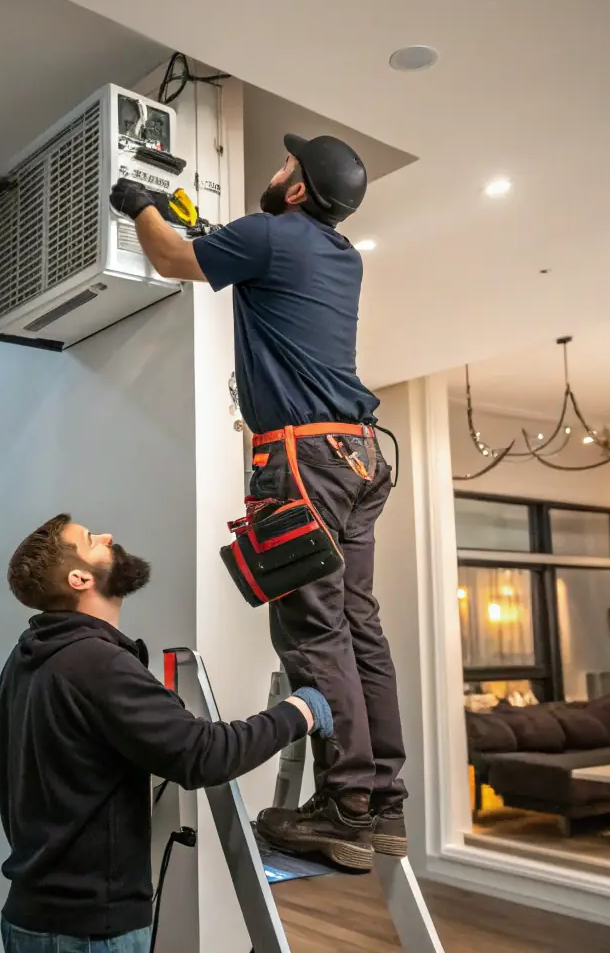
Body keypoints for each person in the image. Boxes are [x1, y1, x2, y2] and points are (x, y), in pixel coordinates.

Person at [107, 134, 406, 869]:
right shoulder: (338, 255)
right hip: (362, 455)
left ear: (299, 190)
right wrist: (216, 235)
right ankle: (381, 803)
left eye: (285, 167)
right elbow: (246, 264)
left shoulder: (269, 236)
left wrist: (139, 204)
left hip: (303, 458)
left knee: (312, 631)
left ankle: (343, 807)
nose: (276, 173)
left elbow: (173, 260)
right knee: (358, 626)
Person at [0, 514, 333, 951]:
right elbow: (205, 754)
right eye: (91, 540)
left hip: (35, 918)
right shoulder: (95, 663)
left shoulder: (29, 657)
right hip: (87, 932)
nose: (108, 535)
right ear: (79, 578)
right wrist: (301, 710)